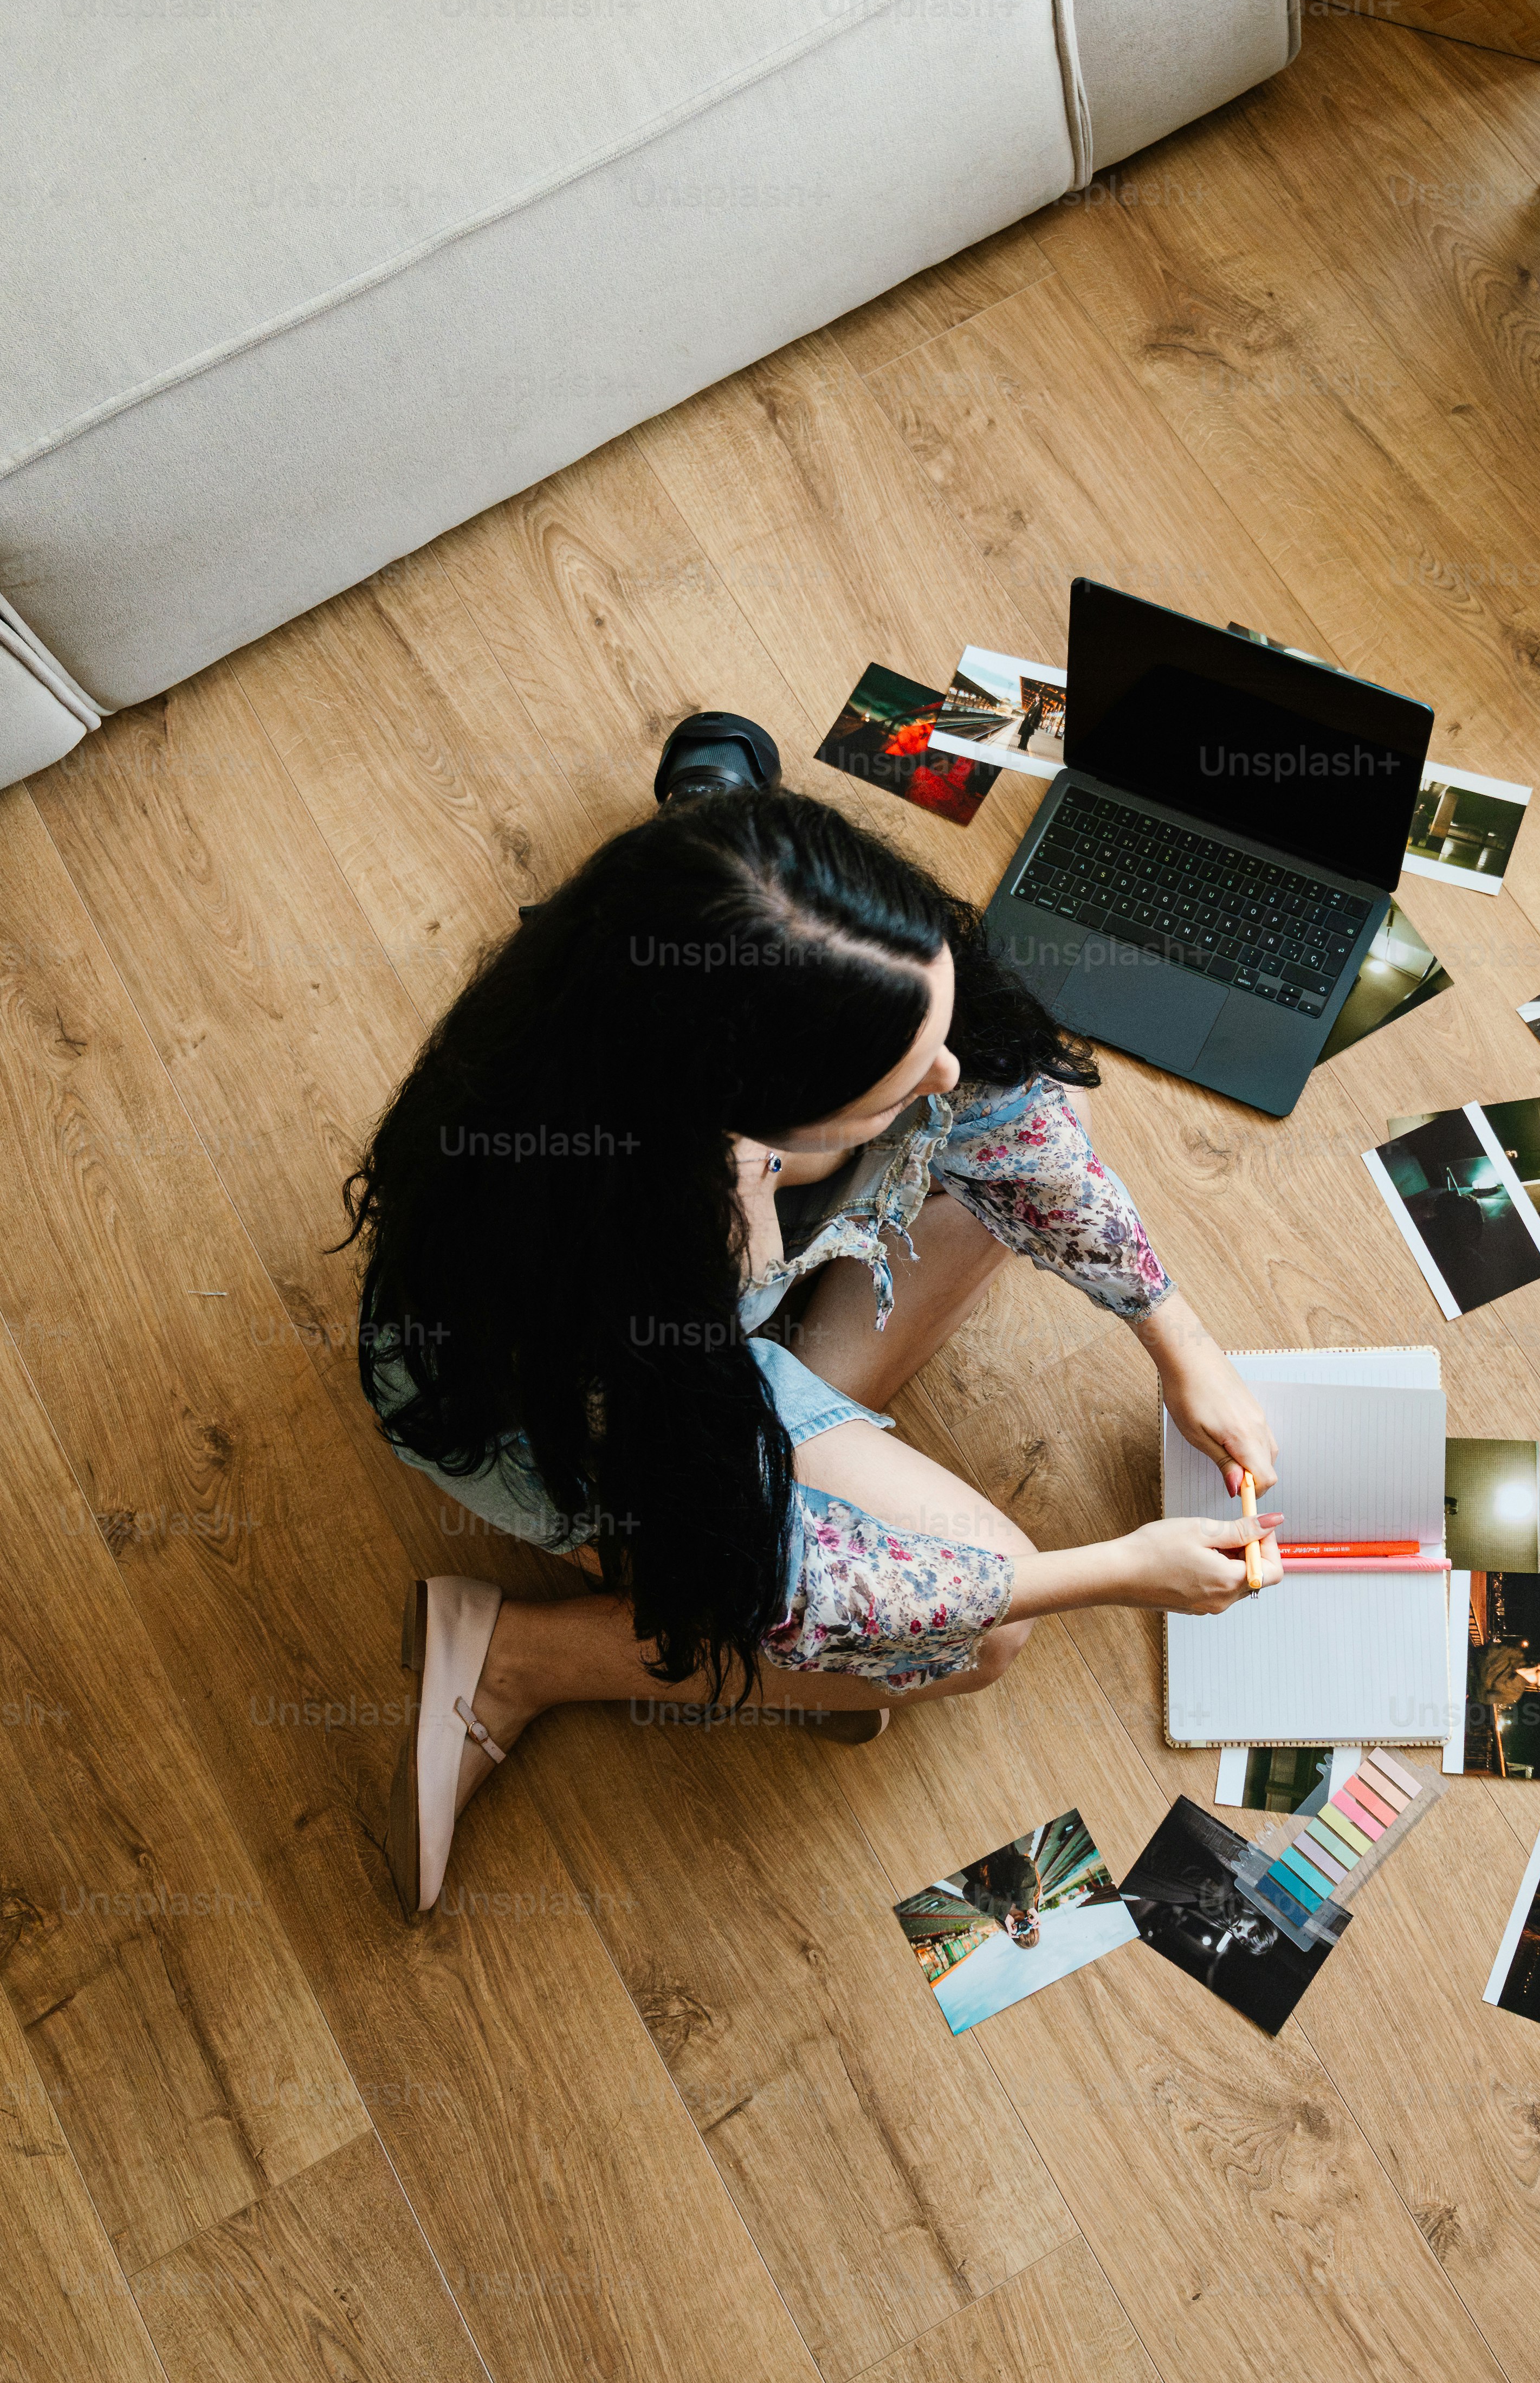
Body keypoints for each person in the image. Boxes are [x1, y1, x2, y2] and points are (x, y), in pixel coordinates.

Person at [344, 712, 1286, 1917]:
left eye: (930, 1024)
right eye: (893, 1080)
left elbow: (999, 1104)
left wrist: (1179, 1343)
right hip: (609, 1410)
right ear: (742, 1132)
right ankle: (521, 1655)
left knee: (1024, 1120)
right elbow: (775, 1570)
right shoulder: (625, 1249)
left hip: (716, 1315)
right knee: (976, 1635)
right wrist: (1109, 1570)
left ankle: (819, 1450)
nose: (944, 1075)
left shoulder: (685, 1039)